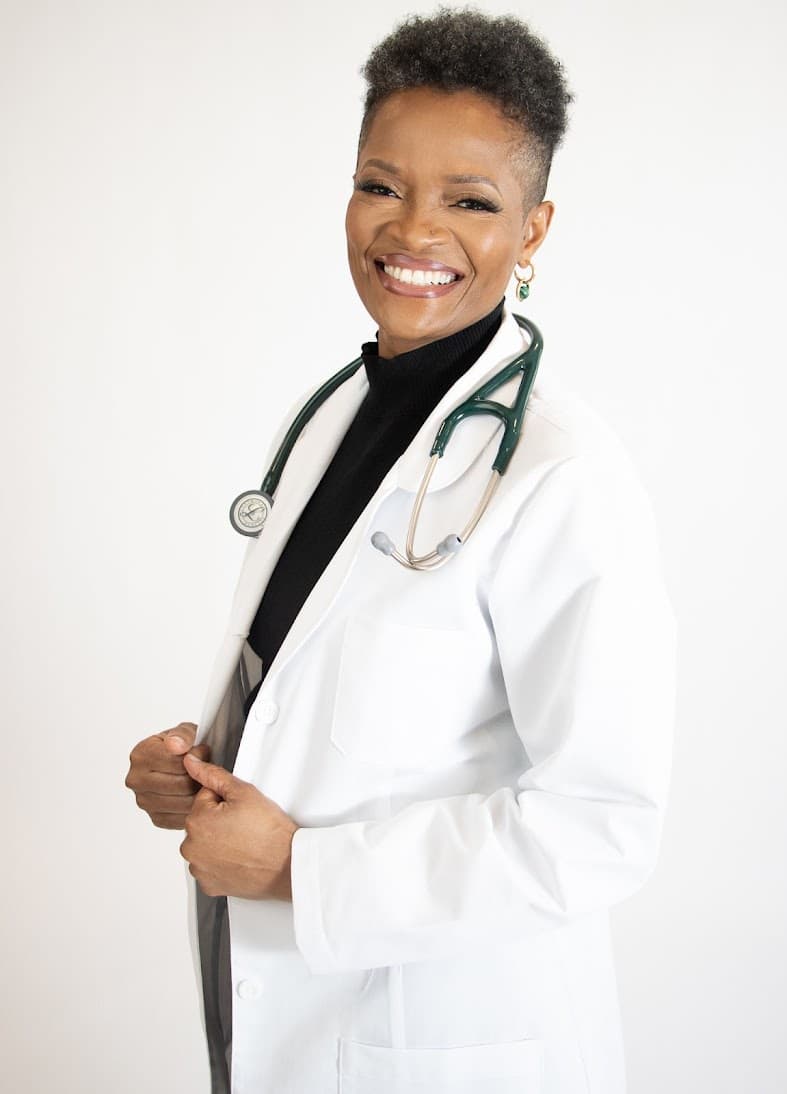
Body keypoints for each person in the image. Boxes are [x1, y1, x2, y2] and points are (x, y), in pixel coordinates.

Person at [125, 8, 677, 1093]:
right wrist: (203, 767)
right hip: (286, 1004)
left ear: (533, 229)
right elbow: (326, 692)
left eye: (470, 201)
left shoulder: (562, 473)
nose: (413, 230)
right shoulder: (340, 414)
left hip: (445, 1038)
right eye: (382, 184)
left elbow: (600, 822)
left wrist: (302, 867)